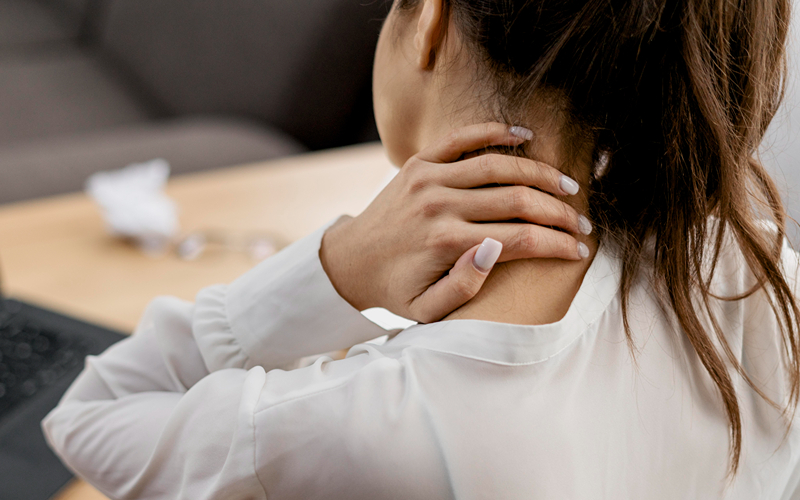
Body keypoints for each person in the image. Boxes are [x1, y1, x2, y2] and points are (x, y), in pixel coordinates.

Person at [42, 0, 800, 498]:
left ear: (429, 20)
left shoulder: (373, 430)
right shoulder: (757, 275)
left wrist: (335, 268)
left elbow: (90, 416)